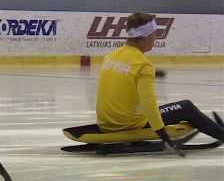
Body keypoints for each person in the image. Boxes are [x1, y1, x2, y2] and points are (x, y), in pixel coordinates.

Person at [96, 12, 224, 156]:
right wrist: (165, 138)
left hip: (106, 122)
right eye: (154, 35)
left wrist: (153, 74)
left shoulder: (111, 56)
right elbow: (149, 105)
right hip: (129, 123)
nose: (155, 39)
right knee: (186, 107)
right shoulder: (143, 64)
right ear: (144, 36)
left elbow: (124, 76)